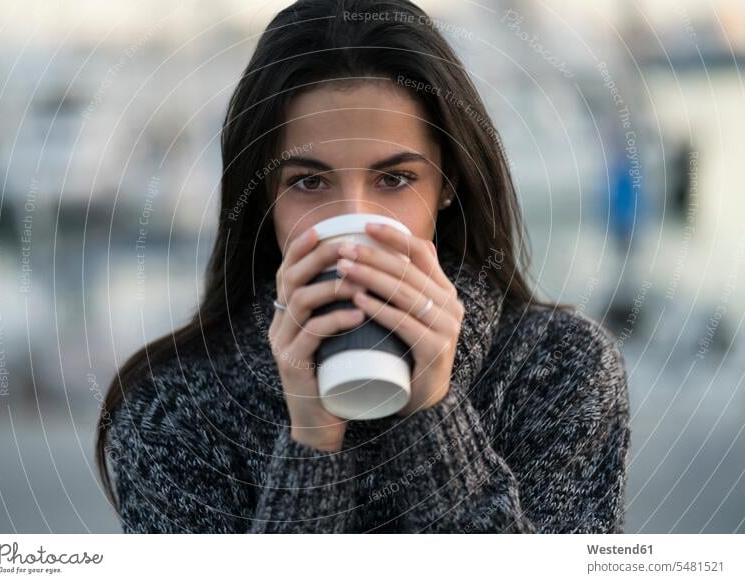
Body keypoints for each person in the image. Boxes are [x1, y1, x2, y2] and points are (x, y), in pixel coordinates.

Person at [96, 0, 631, 534]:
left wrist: (433, 418)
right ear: (263, 197)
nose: (354, 223)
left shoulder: (561, 371)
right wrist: (309, 443)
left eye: (394, 179)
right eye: (309, 182)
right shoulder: (172, 411)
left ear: (448, 181)